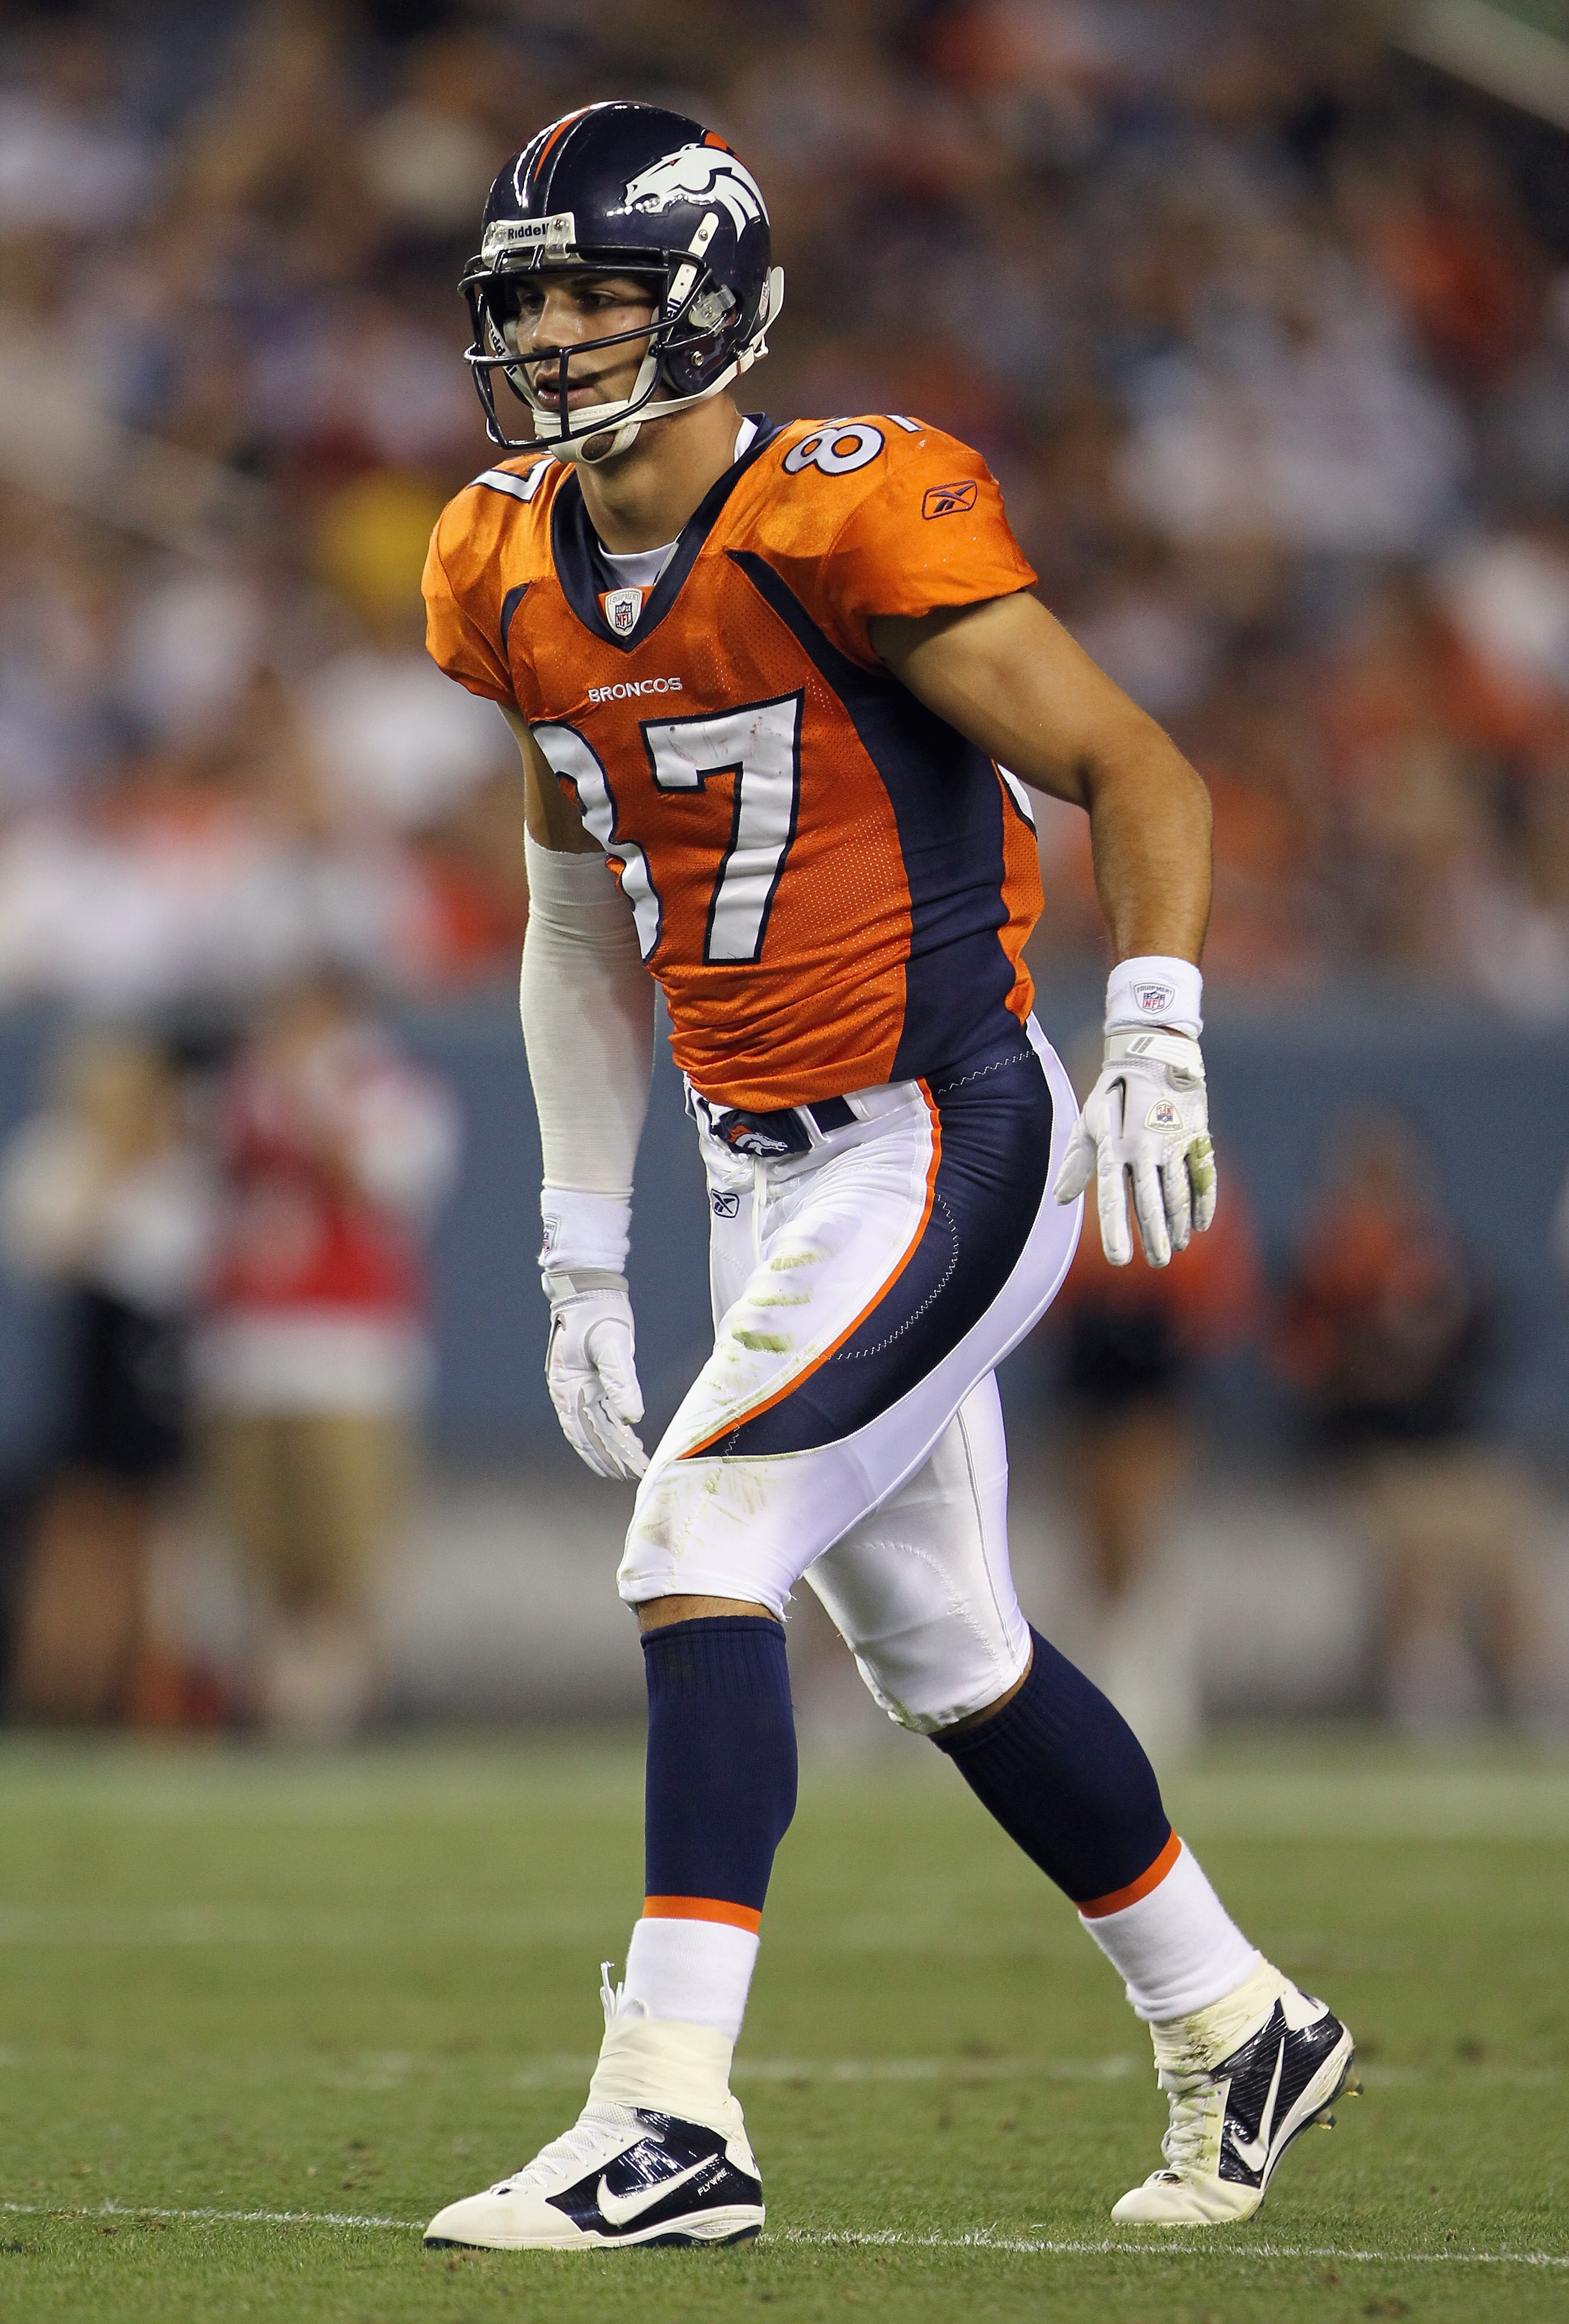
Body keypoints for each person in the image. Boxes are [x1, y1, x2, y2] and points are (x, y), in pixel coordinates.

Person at [418, 101, 1356, 2252]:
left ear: (719, 297)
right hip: (767, 1170)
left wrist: (1159, 1023)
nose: (555, 336)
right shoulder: (497, 561)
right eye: (527, 296)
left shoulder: (842, 511)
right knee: (948, 1645)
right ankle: (1236, 2016)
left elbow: (1133, 757)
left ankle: (668, 2113)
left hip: (946, 1127)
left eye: (598, 289)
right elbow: (578, 913)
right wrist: (582, 1244)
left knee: (702, 1525)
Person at [198, 975, 459, 1741]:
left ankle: (354, 1710)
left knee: (346, 1556)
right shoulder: (238, 1090)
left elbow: (380, 1188)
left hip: (351, 1359)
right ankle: (272, 1708)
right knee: (262, 1557)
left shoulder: (392, 1094)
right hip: (246, 1353)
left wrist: (311, 1099)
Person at [1280, 1110, 1551, 1734]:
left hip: (1451, 1447)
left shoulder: (1441, 1256)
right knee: (1414, 1551)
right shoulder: (1325, 1262)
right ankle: (1427, 1688)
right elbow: (1308, 1366)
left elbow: (1483, 1340)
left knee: (1501, 1534)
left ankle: (1530, 1683)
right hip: (1376, 1453)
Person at [0, 1030, 214, 1723]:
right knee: (77, 1534)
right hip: (86, 1362)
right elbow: (51, 1247)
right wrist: (107, 1171)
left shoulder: (181, 1167)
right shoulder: (61, 1156)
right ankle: (59, 1691)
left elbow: (187, 1263)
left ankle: (141, 1696)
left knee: (155, 1542)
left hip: (155, 1364)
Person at [1047, 1125, 1260, 1758]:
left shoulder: (1191, 1158)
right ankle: (1110, 1674)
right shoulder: (1066, 1156)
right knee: (1097, 1533)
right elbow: (1048, 1268)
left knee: (1142, 1522)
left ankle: (1156, 1683)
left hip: (1154, 1365)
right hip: (1089, 1364)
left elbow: (1217, 1276)